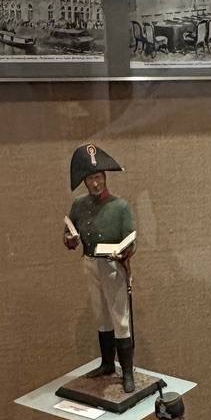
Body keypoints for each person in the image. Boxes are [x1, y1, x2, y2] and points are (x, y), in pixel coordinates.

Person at [65, 144, 137, 393]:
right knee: (101, 316)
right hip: (90, 263)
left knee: (120, 318)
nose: (95, 183)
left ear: (104, 177)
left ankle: (127, 371)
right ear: (85, 182)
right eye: (90, 179)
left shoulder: (120, 206)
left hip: (112, 265)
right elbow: (69, 234)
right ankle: (107, 364)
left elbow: (131, 240)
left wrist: (124, 252)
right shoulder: (78, 205)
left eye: (98, 177)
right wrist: (70, 239)